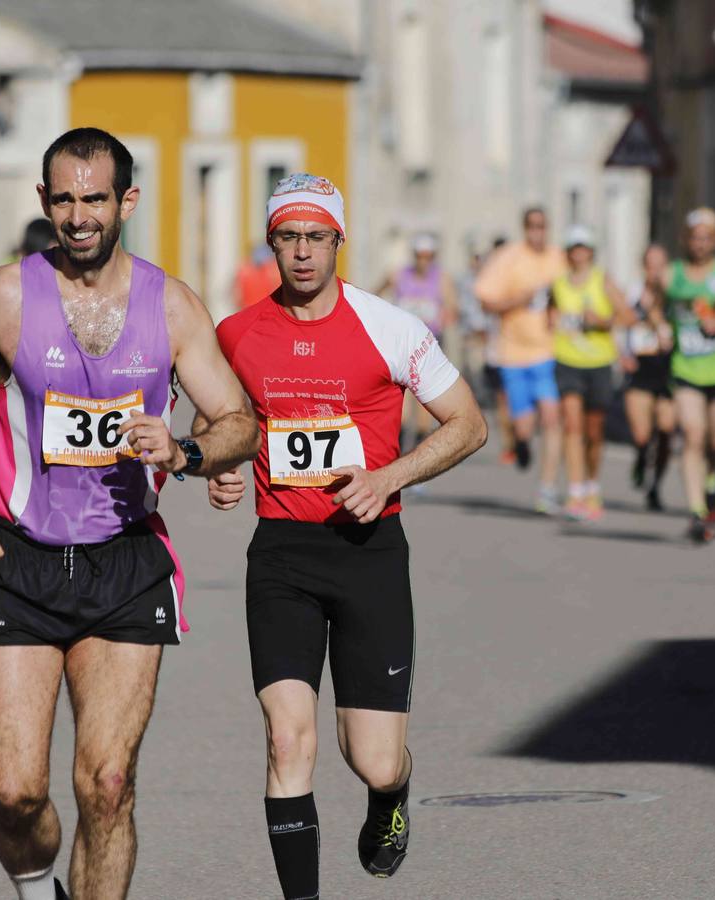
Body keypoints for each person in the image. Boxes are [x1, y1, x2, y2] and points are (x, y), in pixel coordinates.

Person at [0, 127, 259, 900]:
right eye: (64, 199)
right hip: (17, 562)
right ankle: (38, 889)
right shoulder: (6, 295)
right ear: (44, 201)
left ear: (125, 201)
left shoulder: (170, 305)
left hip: (127, 563)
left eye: (94, 199)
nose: (78, 216)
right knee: (16, 794)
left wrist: (186, 454)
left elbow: (237, 421)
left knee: (107, 782)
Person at [203, 173, 486, 899]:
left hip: (369, 555)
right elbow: (219, 425)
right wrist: (221, 467)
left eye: (316, 238)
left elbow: (469, 423)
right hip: (282, 555)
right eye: (288, 238)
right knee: (287, 738)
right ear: (272, 243)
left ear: (338, 242)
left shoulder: (389, 327)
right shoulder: (235, 335)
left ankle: (392, 795)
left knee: (374, 760)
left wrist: (390, 476)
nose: (302, 253)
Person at [650, 208, 715, 543]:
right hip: (686, 369)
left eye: (708, 238)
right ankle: (696, 510)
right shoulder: (672, 273)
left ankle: (711, 483)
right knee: (692, 435)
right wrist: (661, 325)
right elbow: (652, 303)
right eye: (695, 237)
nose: (701, 244)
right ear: (686, 239)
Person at [475, 207, 567, 513]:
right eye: (532, 226)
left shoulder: (559, 258)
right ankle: (522, 443)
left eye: (542, 226)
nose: (537, 232)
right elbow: (486, 301)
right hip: (513, 354)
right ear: (524, 228)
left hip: (549, 352)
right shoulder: (509, 259)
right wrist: (519, 299)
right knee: (525, 426)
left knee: (553, 418)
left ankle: (548, 488)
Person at [550, 225, 631, 521]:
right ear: (568, 253)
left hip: (598, 363)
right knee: (572, 426)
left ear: (591, 252)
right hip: (567, 360)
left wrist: (602, 320)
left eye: (584, 248)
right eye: (574, 248)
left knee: (594, 431)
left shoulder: (603, 281)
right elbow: (549, 316)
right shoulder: (558, 284)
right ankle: (575, 492)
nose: (579, 254)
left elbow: (627, 316)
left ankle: (592, 485)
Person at [376, 232, 459, 450]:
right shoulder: (398, 275)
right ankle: (398, 450)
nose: (424, 260)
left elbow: (452, 307)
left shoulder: (442, 278)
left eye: (428, 256)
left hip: (428, 345)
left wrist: (445, 317)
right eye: (420, 255)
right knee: (401, 401)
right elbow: (375, 294)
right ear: (414, 255)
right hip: (401, 343)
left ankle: (419, 453)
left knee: (424, 403)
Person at [620, 244, 675, 511]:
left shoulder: (676, 294)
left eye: (660, 265)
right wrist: (622, 354)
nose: (655, 271)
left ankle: (655, 486)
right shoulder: (632, 292)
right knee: (642, 435)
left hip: (669, 368)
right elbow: (620, 322)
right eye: (650, 265)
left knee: (666, 431)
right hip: (639, 366)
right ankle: (642, 459)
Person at [235, 243, 282, 311]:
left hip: (249, 311)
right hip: (263, 311)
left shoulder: (244, 271)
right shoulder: (272, 272)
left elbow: (237, 296)